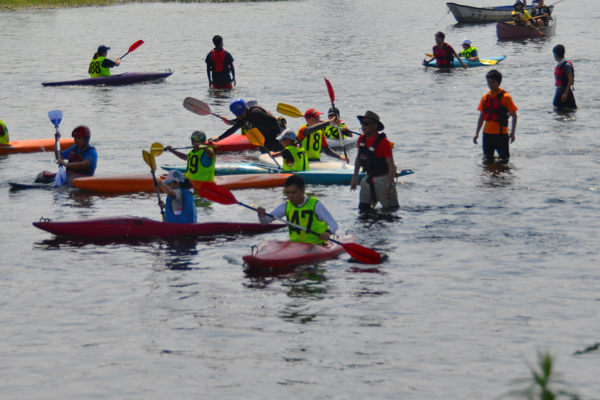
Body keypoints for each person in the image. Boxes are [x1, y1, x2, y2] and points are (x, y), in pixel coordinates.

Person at [256, 175, 338, 245]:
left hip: (317, 245)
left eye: (293, 192)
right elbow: (265, 222)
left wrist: (328, 232)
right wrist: (262, 215)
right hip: (295, 246)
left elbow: (333, 224)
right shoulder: (285, 206)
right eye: (287, 193)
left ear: (303, 191)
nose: (290, 196)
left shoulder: (315, 205)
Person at [350, 111, 399, 211]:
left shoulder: (383, 142)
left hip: (384, 180)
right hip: (368, 179)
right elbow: (358, 159)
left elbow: (391, 165)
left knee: (391, 213)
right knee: (364, 211)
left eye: (366, 123)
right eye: (362, 123)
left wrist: (390, 186)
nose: (363, 126)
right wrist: (354, 178)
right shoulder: (361, 139)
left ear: (375, 125)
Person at [474, 70, 518, 160]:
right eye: (488, 82)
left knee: (504, 160)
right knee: (487, 160)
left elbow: (514, 116)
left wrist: (512, 133)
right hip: (487, 134)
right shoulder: (485, 97)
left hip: (501, 135)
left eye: (492, 82)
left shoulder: (506, 97)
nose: (490, 84)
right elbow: (481, 116)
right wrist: (476, 133)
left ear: (498, 82)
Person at [212, 98, 283, 152]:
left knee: (275, 150)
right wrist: (219, 138)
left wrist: (280, 137)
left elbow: (273, 120)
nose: (234, 114)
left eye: (234, 112)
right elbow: (232, 130)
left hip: (275, 133)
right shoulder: (243, 118)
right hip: (264, 137)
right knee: (265, 152)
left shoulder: (255, 112)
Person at [553, 45, 577, 109]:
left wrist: (566, 93)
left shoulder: (567, 65)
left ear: (555, 54)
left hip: (566, 92)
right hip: (559, 91)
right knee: (557, 109)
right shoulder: (559, 65)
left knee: (570, 109)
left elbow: (570, 79)